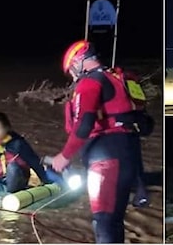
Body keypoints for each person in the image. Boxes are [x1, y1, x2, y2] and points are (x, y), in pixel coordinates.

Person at [51, 40, 154, 243]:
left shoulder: (89, 83)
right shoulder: (120, 79)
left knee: (104, 222)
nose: (72, 75)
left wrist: (64, 156)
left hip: (106, 159)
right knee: (115, 221)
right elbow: (144, 122)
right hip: (129, 155)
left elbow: (84, 125)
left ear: (80, 61)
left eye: (72, 69)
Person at [0, 112, 51, 193]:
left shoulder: (16, 143)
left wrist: (46, 181)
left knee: (13, 167)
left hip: (13, 182)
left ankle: (10, 194)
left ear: (6, 129)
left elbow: (34, 161)